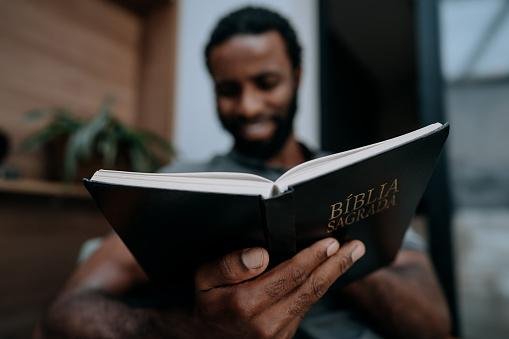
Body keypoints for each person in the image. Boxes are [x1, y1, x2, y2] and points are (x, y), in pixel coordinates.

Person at [40, 7, 451, 339]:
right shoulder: (183, 180)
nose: (249, 107)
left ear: (297, 78)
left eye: (266, 82)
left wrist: (320, 240)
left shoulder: (361, 175)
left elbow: (433, 324)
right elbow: (69, 309)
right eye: (228, 90)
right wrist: (191, 330)